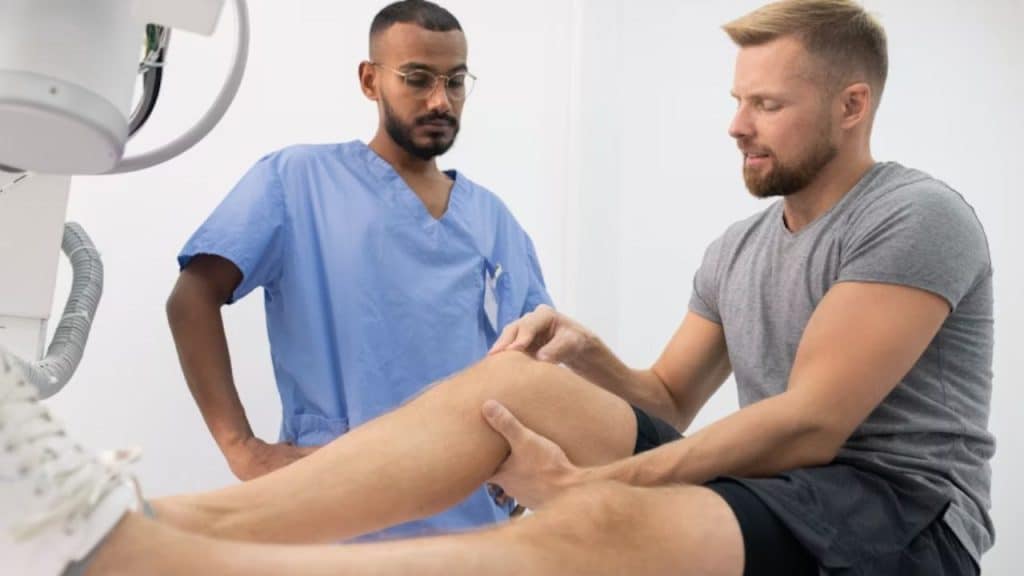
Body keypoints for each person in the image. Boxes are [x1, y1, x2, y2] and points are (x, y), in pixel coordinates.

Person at [3, 1, 993, 574]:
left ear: (852, 105)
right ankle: (144, 530)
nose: (736, 125)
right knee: (513, 389)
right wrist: (586, 353)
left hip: (895, 511)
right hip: (778, 482)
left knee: (598, 523)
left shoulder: (913, 218)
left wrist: (594, 482)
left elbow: (810, 427)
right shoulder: (737, 248)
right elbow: (664, 403)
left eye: (766, 104)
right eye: (736, 100)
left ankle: (184, 565)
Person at [165, 0, 551, 539]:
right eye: (417, 79)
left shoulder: (494, 221)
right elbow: (191, 299)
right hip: (335, 511)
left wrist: (531, 451)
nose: (441, 100)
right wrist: (242, 449)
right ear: (370, 81)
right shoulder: (298, 181)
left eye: (456, 82)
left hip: (472, 529)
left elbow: (538, 360)